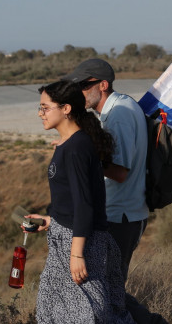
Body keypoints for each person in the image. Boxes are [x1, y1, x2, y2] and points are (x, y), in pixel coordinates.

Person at [25, 80, 134, 324]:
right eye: (40, 108)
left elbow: (85, 205)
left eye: (45, 107)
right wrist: (50, 220)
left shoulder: (77, 146)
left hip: (81, 243)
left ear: (66, 109)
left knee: (88, 313)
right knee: (56, 310)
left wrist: (77, 255)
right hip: (66, 238)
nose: (40, 113)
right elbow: (71, 200)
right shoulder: (67, 144)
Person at [62, 58, 148, 285]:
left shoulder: (119, 114)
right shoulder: (114, 109)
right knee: (106, 289)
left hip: (120, 217)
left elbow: (120, 172)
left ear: (103, 85)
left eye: (83, 86)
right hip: (117, 214)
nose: (79, 92)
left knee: (108, 290)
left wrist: (82, 158)